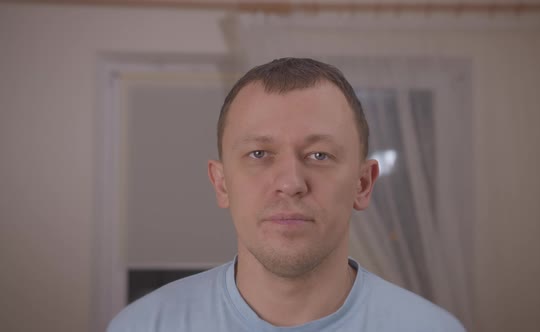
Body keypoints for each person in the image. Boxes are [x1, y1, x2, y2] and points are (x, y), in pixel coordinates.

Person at [108, 58, 466, 332]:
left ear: (363, 184)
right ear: (221, 184)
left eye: (319, 155)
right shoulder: (143, 326)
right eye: (259, 154)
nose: (291, 182)